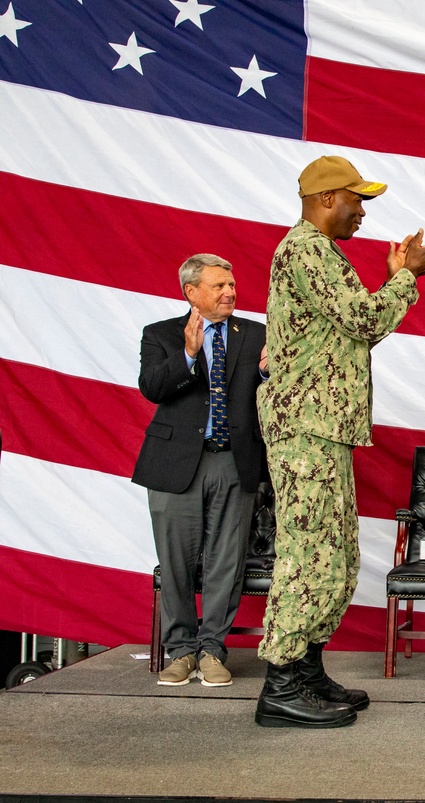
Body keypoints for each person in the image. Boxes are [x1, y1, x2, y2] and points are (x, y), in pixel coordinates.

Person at [254, 155, 425, 729]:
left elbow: (348, 333)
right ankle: (281, 684)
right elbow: (364, 320)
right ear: (323, 199)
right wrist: (406, 276)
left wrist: (396, 281)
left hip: (324, 428)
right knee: (307, 553)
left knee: (334, 554)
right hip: (304, 429)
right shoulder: (305, 249)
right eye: (355, 199)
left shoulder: (323, 253)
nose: (362, 211)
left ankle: (307, 669)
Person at [133, 253, 268, 688]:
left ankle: (212, 650)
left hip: (234, 461)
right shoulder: (160, 335)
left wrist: (268, 374)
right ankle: (181, 651)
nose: (230, 292)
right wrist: (189, 354)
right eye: (219, 286)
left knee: (226, 563)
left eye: (231, 284)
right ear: (191, 292)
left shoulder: (256, 335)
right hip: (175, 466)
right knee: (175, 563)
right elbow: (152, 388)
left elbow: (275, 393)